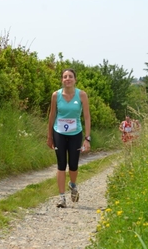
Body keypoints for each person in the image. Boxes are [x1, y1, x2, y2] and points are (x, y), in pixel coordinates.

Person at [46, 68, 91, 208]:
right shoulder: (56, 95)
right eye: (65, 77)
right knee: (61, 164)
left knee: (73, 164)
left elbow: (87, 117)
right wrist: (49, 136)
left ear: (75, 79)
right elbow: (52, 115)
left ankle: (72, 185)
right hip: (59, 132)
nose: (67, 79)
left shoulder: (82, 95)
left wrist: (87, 138)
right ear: (62, 80)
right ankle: (61, 198)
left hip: (75, 133)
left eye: (70, 76)